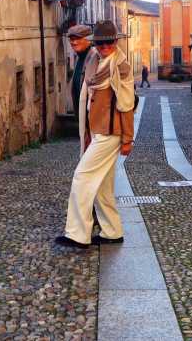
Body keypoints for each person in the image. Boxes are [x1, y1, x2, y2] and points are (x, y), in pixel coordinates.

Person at [56, 21, 135, 249]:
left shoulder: (119, 67)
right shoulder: (98, 62)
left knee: (82, 177)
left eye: (108, 42)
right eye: (100, 43)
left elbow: (126, 105)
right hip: (98, 130)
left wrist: (128, 139)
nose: (104, 46)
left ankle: (77, 234)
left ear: (116, 41)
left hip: (110, 132)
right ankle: (112, 231)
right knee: (102, 184)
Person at [67, 24, 95, 119]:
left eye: (78, 39)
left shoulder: (95, 57)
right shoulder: (80, 57)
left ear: (89, 39)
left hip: (93, 118)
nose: (74, 42)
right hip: (83, 118)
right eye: (71, 39)